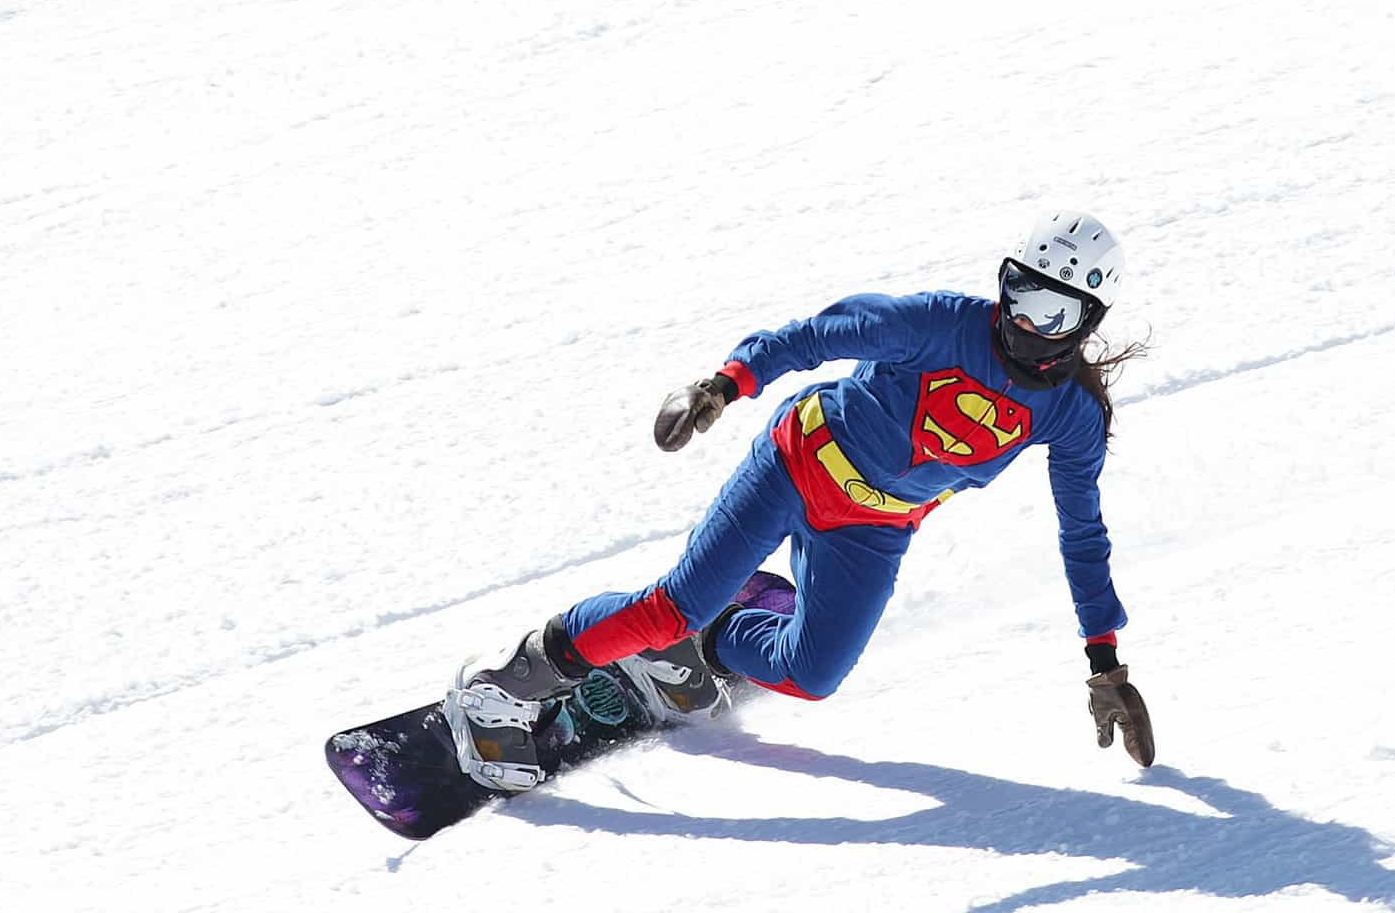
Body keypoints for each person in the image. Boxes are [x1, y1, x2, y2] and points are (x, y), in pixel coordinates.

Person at [444, 208, 1156, 792]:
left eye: (1051, 309)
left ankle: (713, 641)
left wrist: (1105, 660)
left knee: (814, 674)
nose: (1023, 320)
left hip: (872, 528)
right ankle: (504, 688)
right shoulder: (939, 324)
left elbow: (1082, 538)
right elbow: (817, 335)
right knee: (671, 607)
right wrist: (723, 385)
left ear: (1087, 320)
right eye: (1017, 289)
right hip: (796, 462)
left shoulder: (1071, 415)